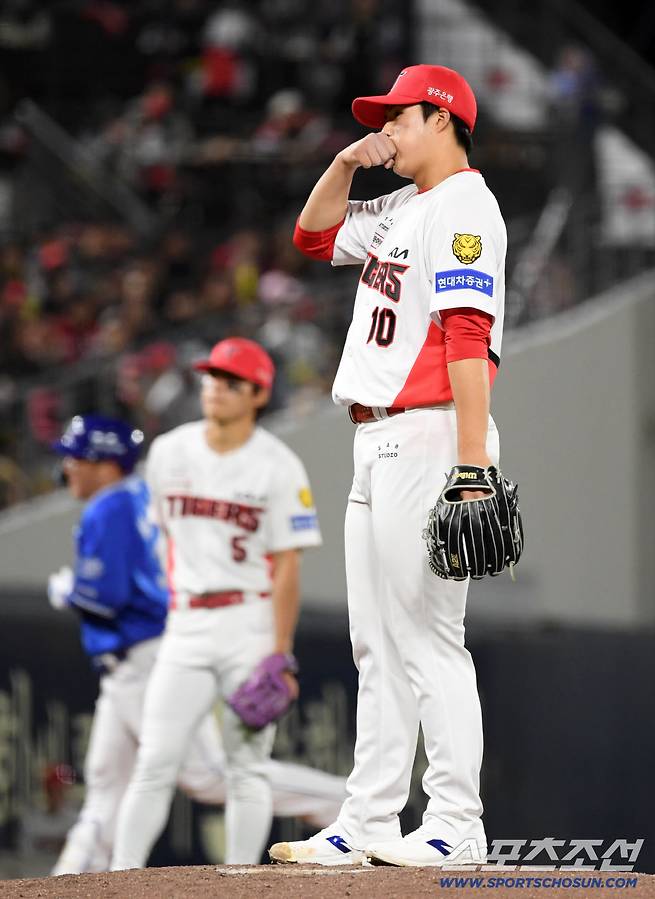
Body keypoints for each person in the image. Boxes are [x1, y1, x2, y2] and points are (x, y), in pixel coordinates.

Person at [268, 64, 506, 868]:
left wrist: (473, 465)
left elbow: (468, 341)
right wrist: (343, 163)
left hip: (434, 434)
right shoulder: (406, 203)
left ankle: (457, 820)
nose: (388, 132)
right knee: (376, 641)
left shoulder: (467, 207)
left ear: (440, 119)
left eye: (398, 119)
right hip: (376, 440)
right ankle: (367, 819)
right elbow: (312, 237)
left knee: (430, 639)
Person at [47, 411, 342, 875]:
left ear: (104, 463)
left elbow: (108, 596)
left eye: (77, 457)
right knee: (106, 788)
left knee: (209, 776)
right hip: (129, 663)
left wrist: (68, 591)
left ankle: (342, 802)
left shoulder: (112, 505)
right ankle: (70, 881)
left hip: (146, 654)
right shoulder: (136, 496)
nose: (67, 466)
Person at [110, 337, 323, 869]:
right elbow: (161, 539)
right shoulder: (169, 451)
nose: (216, 390)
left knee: (245, 767)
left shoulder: (278, 465)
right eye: (210, 378)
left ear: (258, 394)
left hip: (248, 620)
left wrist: (280, 650)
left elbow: (288, 565)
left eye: (231, 382)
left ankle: (241, 880)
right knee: (155, 760)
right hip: (185, 624)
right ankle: (116, 878)